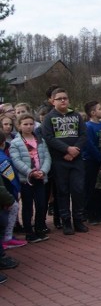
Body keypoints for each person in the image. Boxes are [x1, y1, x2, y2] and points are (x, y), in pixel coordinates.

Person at [42, 88, 88, 235]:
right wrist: (67, 149)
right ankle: (66, 222)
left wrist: (75, 151)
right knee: (62, 191)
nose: (63, 100)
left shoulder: (76, 116)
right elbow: (49, 138)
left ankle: (78, 220)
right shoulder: (49, 118)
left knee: (78, 190)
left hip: (76, 160)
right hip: (59, 160)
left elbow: (83, 135)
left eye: (65, 98)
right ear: (53, 101)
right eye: (59, 98)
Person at [9, 113, 51, 243]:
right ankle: (29, 231)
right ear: (19, 126)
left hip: (40, 177)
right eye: (25, 124)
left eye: (31, 124)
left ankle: (39, 228)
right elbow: (16, 160)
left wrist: (43, 171)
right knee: (27, 205)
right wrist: (30, 172)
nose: (28, 127)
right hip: (26, 179)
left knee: (41, 204)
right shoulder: (15, 143)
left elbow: (47, 157)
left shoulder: (40, 140)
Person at [82, 101, 101, 225]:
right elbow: (89, 145)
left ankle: (100, 211)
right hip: (92, 161)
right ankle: (91, 213)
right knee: (91, 187)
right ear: (92, 113)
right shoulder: (88, 126)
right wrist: (100, 157)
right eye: (100, 109)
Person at [0, 133, 23, 249]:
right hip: (5, 194)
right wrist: (14, 193)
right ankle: (7, 238)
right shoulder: (4, 160)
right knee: (12, 209)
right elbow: (10, 179)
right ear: (3, 143)